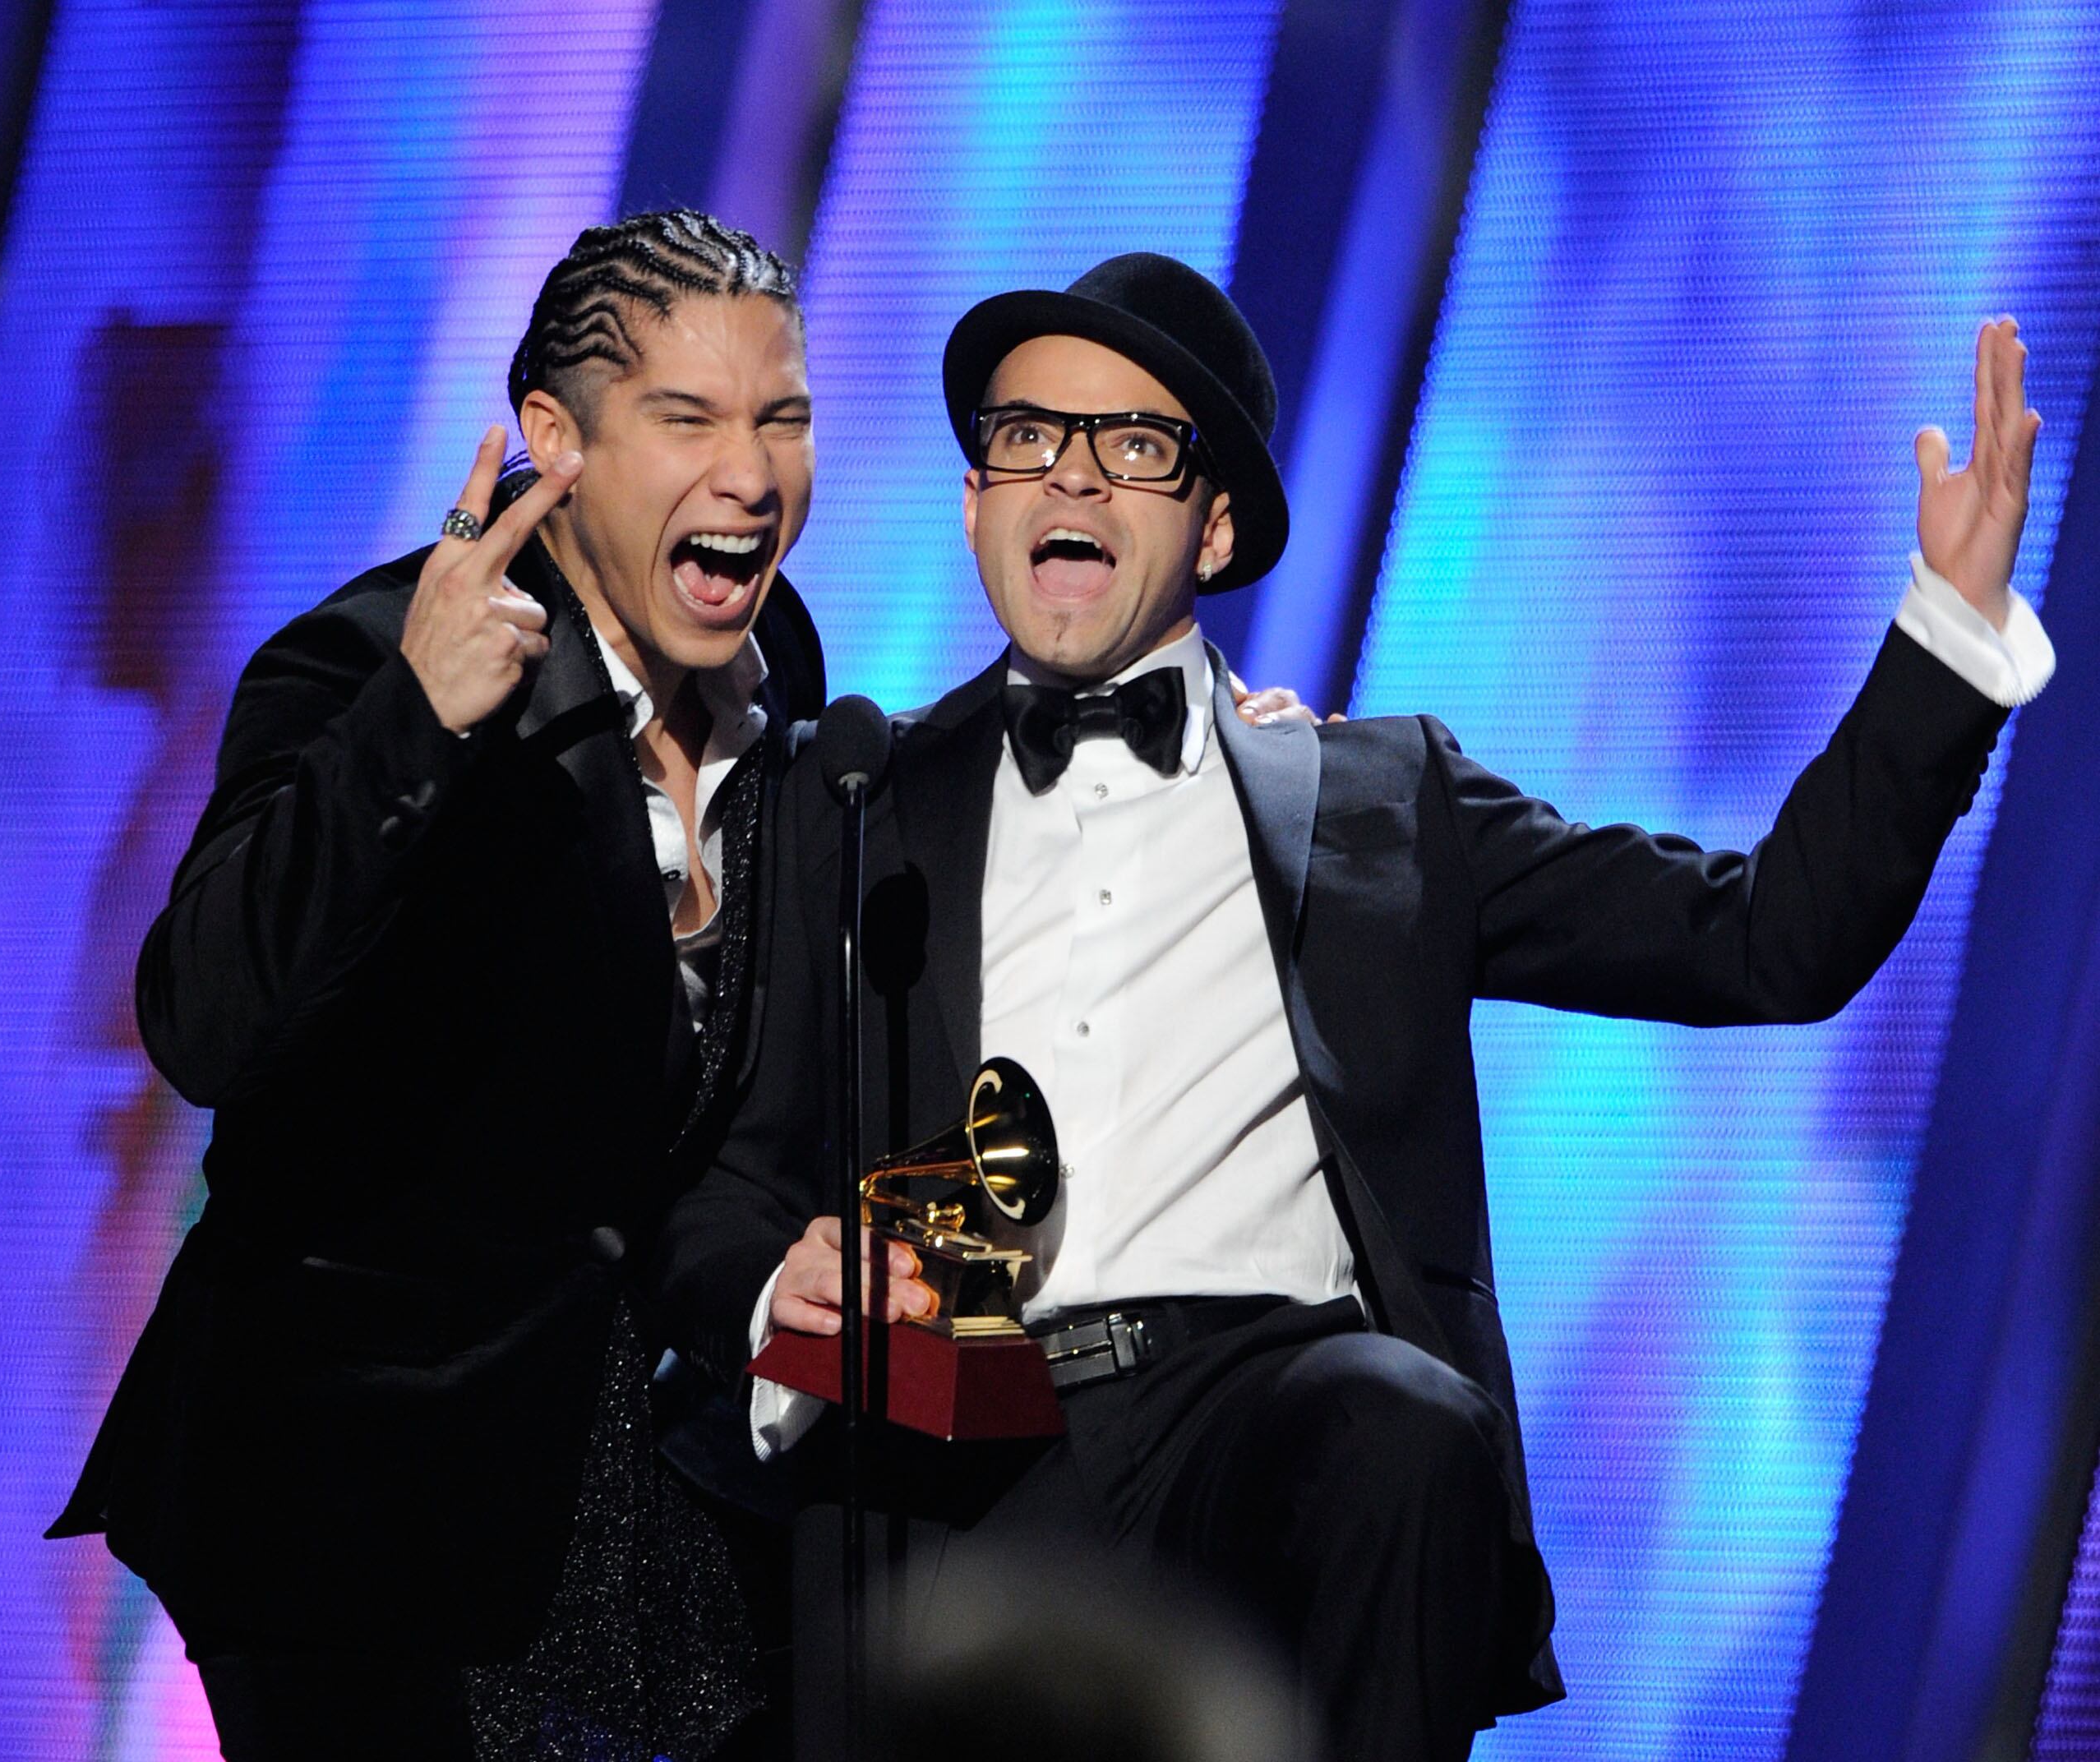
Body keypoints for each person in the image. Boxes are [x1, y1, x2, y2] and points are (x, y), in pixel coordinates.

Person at [649, 253, 2054, 1761]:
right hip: (958, 1432)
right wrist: (775, 1287)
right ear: (980, 496)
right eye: (1026, 437)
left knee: (1408, 1429)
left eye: (1133, 444)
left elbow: (1768, 937)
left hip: (1267, 1410)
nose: (1071, 473)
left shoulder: (1381, 803)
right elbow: (718, 1177)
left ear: (1221, 520)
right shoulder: (847, 794)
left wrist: (1947, 635)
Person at [48, 209, 831, 1761]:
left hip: (624, 1468)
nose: (749, 472)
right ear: (556, 440)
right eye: (687, 418)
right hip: (355, 1481)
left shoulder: (777, 674)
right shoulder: (361, 661)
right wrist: (415, 723)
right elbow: (207, 1018)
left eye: (782, 416)